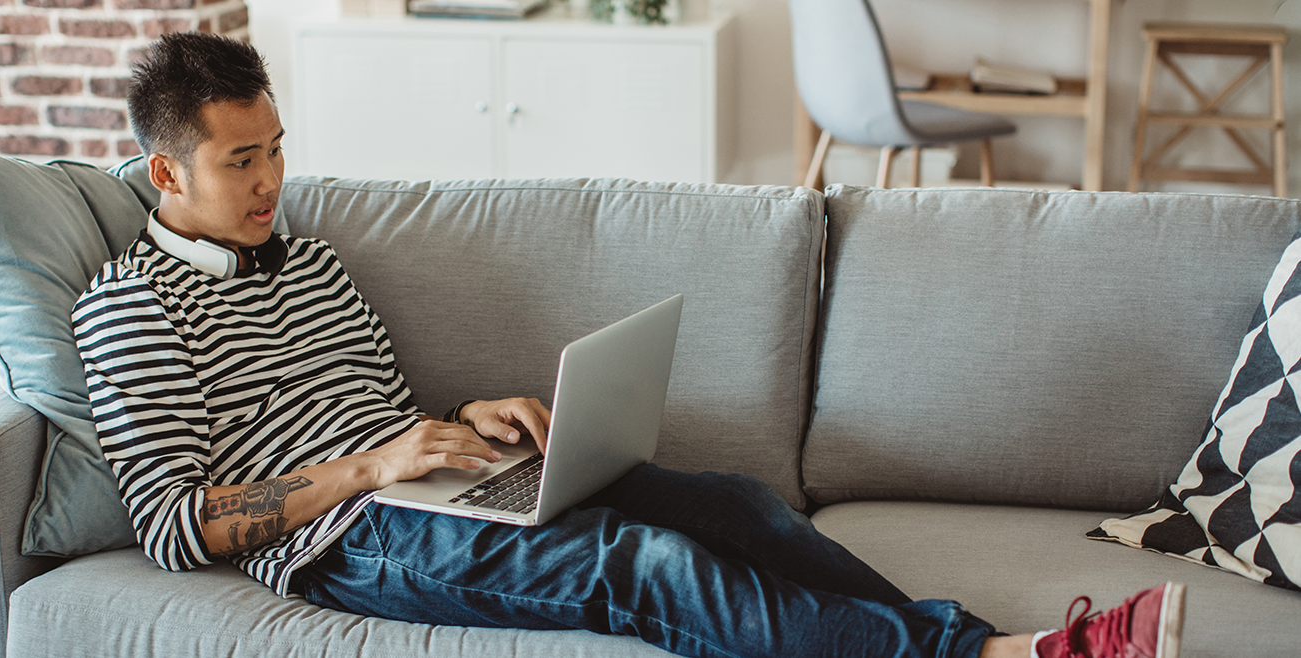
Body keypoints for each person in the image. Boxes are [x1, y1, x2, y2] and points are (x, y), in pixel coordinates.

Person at [73, 31, 1187, 658]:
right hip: (348, 541)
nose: (272, 180)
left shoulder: (311, 261)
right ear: (166, 172)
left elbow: (382, 408)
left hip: (436, 483)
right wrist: (374, 468)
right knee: (644, 566)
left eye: (277, 149)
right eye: (240, 162)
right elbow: (175, 525)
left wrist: (468, 425)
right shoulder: (128, 308)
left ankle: (986, 647)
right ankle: (1002, 657)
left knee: (739, 507)